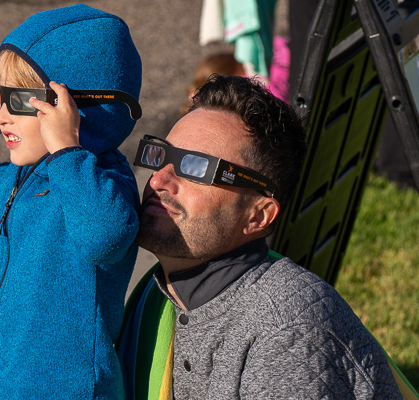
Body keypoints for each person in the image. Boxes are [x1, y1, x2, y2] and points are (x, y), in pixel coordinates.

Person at [118, 74, 402, 399]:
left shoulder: (286, 337)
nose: (158, 180)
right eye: (162, 157)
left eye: (195, 168)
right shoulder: (158, 295)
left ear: (258, 216)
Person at [0, 5, 142, 399]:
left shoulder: (100, 182)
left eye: (19, 99)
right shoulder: (20, 178)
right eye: (1, 96)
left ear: (76, 108)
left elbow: (104, 237)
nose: (3, 116)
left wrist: (67, 153)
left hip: (74, 391)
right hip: (10, 382)